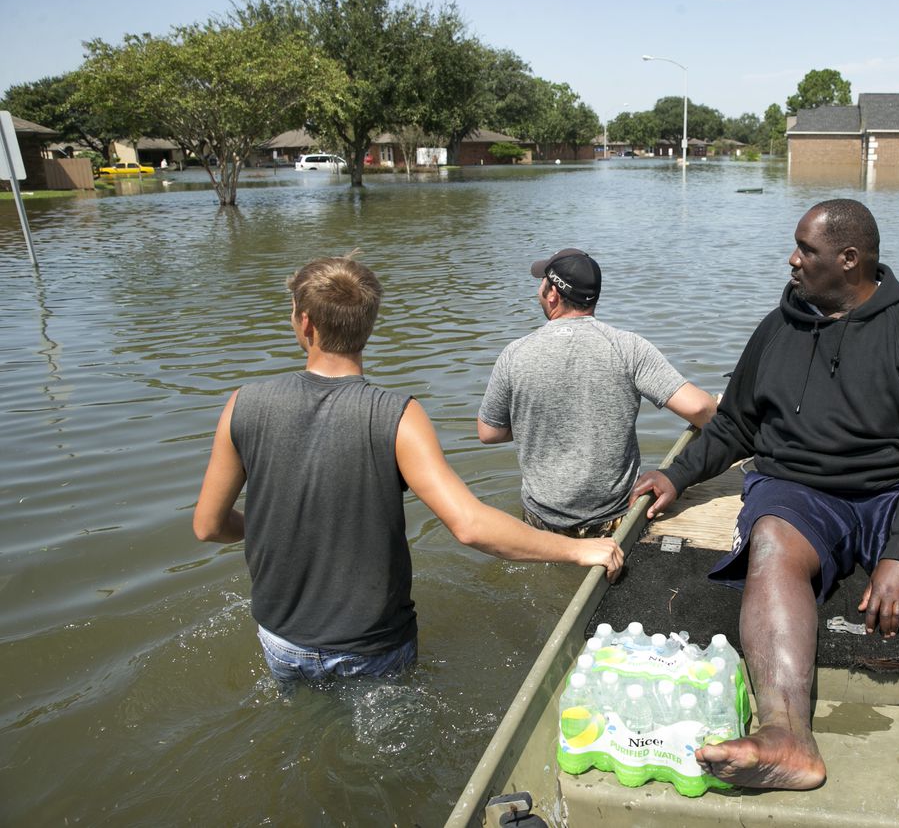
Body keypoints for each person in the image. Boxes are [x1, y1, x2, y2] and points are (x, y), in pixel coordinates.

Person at [631, 200, 899, 790]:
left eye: (806, 250)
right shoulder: (777, 328)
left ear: (850, 259)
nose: (792, 260)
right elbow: (734, 424)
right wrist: (676, 476)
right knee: (772, 541)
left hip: (897, 493)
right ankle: (787, 736)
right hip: (801, 492)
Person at [193, 254, 623, 685]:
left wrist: (274, 524)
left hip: (281, 640)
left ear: (305, 324)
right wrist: (578, 549)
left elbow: (209, 526)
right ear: (369, 324)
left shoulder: (242, 405)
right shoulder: (397, 416)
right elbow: (470, 526)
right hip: (372, 646)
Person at [477, 248, 716, 537]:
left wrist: (540, 421)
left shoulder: (515, 354)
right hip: (612, 521)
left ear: (552, 294)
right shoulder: (629, 348)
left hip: (540, 522)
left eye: (541, 282)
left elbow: (489, 432)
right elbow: (700, 409)